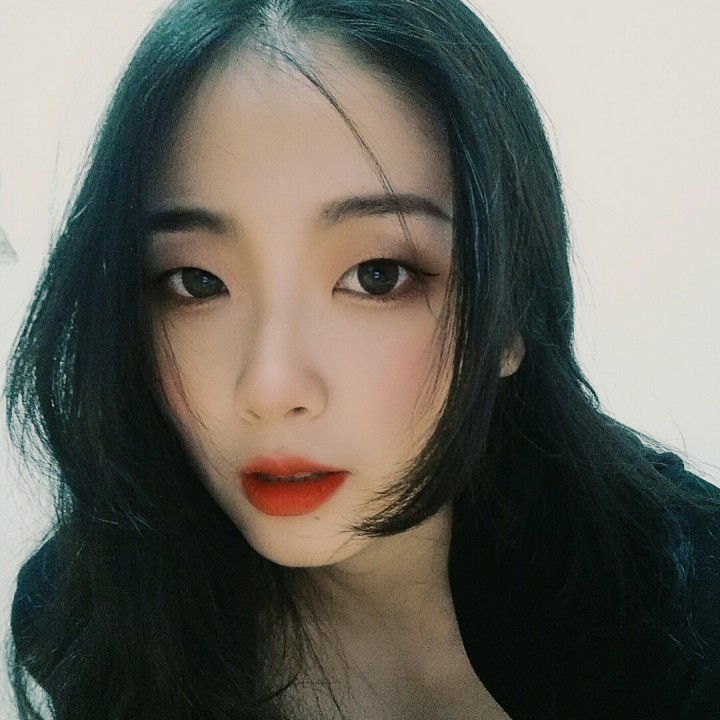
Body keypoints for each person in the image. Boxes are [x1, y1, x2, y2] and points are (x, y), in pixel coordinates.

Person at [5, 0, 720, 718]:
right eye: (196, 282)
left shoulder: (687, 607)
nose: (270, 386)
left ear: (509, 312)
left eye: (377, 276)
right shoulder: (87, 616)